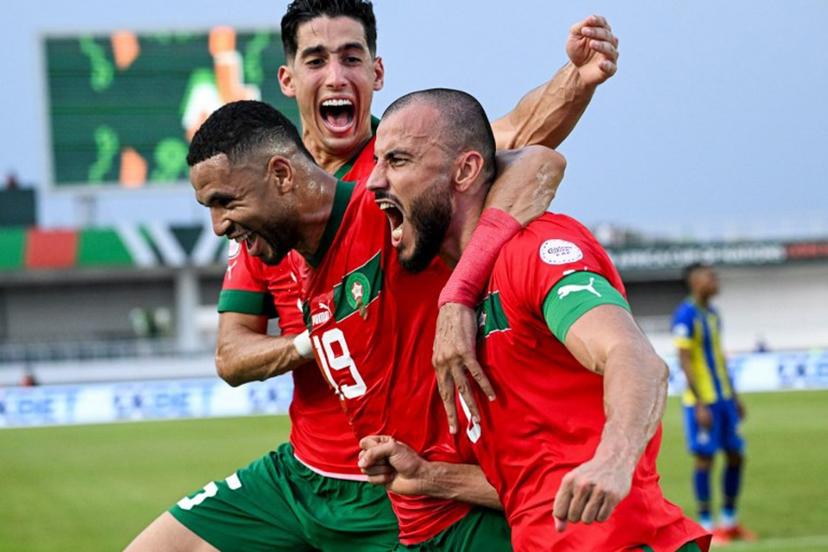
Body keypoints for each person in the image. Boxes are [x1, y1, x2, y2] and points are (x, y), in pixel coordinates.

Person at [125, 1, 620, 551]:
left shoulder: (406, 175)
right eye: (317, 60)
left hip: (401, 481)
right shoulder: (262, 208)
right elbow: (230, 353)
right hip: (302, 472)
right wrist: (314, 343)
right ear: (289, 79)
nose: (335, 75)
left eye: (351, 58)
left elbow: (521, 144)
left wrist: (576, 77)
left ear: (376, 73)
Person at [186, 100, 565, 548]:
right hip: (413, 506)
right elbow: (230, 358)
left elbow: (539, 161)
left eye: (224, 201)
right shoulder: (298, 260)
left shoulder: (379, 207)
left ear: (283, 176)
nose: (216, 226)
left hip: (467, 519)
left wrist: (457, 296)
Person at [360, 88, 711, 551]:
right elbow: (534, 487)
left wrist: (614, 460)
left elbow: (635, 358)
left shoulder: (537, 250)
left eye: (398, 161)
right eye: (377, 161)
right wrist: (430, 477)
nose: (374, 181)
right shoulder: (454, 293)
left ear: (464, 172)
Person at [672, 263, 755, 543]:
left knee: (736, 455)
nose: (715, 280)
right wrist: (698, 403)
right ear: (695, 282)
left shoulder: (713, 314)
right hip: (703, 401)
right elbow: (684, 360)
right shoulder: (685, 315)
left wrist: (734, 396)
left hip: (724, 400)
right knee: (705, 459)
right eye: (710, 276)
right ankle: (707, 526)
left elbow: (718, 357)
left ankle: (729, 521)